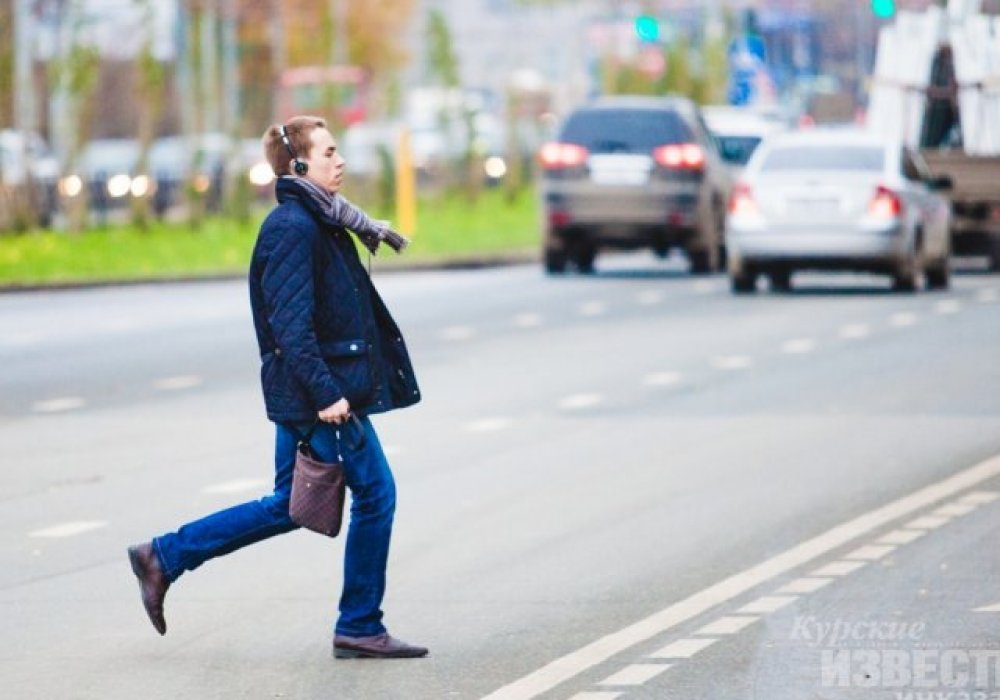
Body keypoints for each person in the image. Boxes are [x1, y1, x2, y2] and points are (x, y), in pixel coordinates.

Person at [127, 115, 427, 659]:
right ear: (299, 165)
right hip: (320, 396)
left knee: (290, 506)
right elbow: (290, 327)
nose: (340, 161)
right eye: (330, 152)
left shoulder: (324, 221)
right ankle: (359, 623)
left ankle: (164, 556)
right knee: (376, 496)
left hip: (317, 391)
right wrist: (327, 394)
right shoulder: (294, 228)